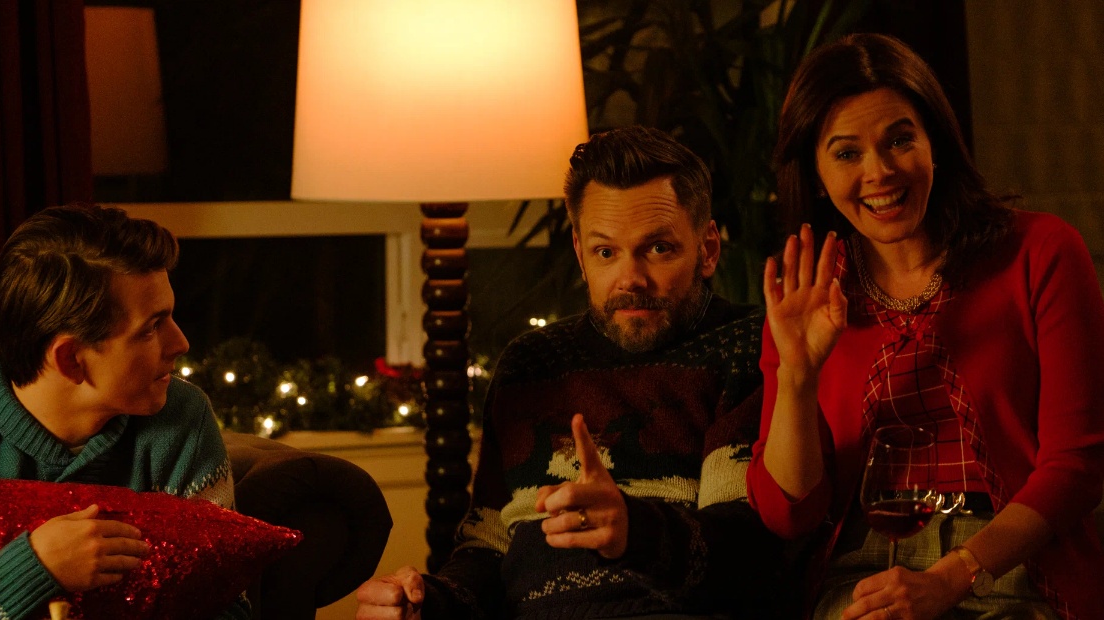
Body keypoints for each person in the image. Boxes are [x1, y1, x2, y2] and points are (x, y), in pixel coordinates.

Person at [356, 126, 783, 619]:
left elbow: (747, 556)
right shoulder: (530, 363)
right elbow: (487, 551)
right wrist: (422, 603)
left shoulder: (747, 346)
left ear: (707, 249)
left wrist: (633, 530)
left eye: (658, 249)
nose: (630, 279)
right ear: (581, 254)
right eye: (606, 252)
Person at [748, 33, 1104, 620]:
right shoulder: (806, 297)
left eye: (899, 140)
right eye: (846, 154)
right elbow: (788, 512)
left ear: (935, 141)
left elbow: (1077, 468)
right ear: (815, 175)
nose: (880, 172)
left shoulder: (1041, 251)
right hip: (864, 571)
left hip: (1015, 562)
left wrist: (952, 577)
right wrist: (797, 375)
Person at [0, 204, 247, 619]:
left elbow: (226, 605)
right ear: (71, 359)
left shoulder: (182, 417)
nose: (181, 343)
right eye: (151, 327)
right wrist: (30, 571)